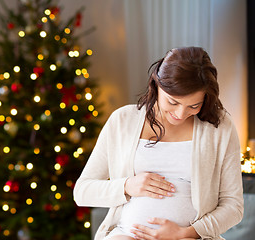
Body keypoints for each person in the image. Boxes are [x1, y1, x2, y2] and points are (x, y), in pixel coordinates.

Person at [73, 47, 244, 240]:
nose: (180, 114)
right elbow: (82, 191)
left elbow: (233, 206)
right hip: (126, 234)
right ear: (156, 85)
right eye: (173, 102)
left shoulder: (219, 126)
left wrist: (186, 233)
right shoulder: (122, 120)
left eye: (194, 106)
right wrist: (127, 186)